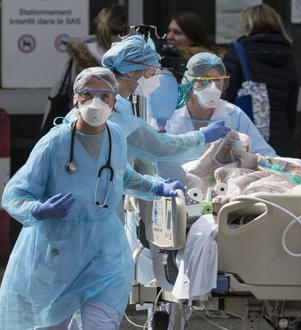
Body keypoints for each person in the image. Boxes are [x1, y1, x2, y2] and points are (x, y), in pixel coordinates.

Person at [0, 67, 187, 330]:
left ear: (114, 102)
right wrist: (38, 210)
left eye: (104, 95)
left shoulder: (116, 137)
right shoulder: (55, 143)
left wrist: (157, 187)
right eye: (87, 94)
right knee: (50, 324)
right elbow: (16, 193)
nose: (95, 102)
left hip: (105, 249)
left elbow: (122, 177)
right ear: (76, 99)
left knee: (102, 322)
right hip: (58, 250)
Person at [65, 34, 230, 163]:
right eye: (151, 72)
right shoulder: (113, 109)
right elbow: (157, 147)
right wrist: (201, 137)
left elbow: (123, 171)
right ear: (131, 71)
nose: (155, 79)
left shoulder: (117, 104)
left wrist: (152, 186)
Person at [223, 4, 299, 157]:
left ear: (248, 24)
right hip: (280, 139)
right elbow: (291, 107)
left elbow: (225, 99)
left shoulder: (238, 52)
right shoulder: (288, 54)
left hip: (246, 142)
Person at [166, 52, 275, 157]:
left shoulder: (234, 114)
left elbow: (264, 153)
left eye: (217, 80)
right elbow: (155, 151)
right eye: (204, 80)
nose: (213, 87)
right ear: (189, 82)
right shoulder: (169, 114)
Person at [42, 5, 129, 132]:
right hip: (115, 132)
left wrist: (45, 131)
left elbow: (56, 95)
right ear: (125, 32)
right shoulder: (129, 60)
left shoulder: (76, 58)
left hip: (78, 130)